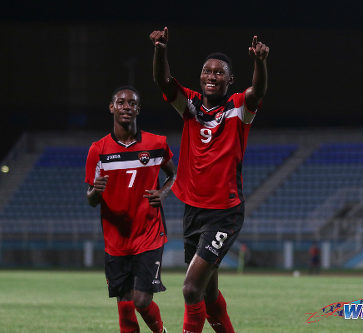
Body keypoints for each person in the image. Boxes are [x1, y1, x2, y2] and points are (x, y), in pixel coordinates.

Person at [150, 27, 269, 333]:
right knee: (209, 292)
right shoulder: (189, 106)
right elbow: (163, 81)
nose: (212, 76)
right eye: (207, 71)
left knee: (191, 289)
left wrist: (260, 62)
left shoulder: (238, 109)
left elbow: (258, 91)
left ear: (230, 81)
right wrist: (160, 50)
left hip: (224, 213)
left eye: (220, 73)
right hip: (193, 210)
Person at [85, 86, 176, 333]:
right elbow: (91, 200)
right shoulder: (98, 150)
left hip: (149, 233)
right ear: (111, 108)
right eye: (121, 102)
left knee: (142, 300)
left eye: (132, 103)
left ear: (138, 109)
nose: (126, 106)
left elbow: (174, 175)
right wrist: (96, 192)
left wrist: (163, 193)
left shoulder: (157, 144)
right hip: (116, 240)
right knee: (125, 307)